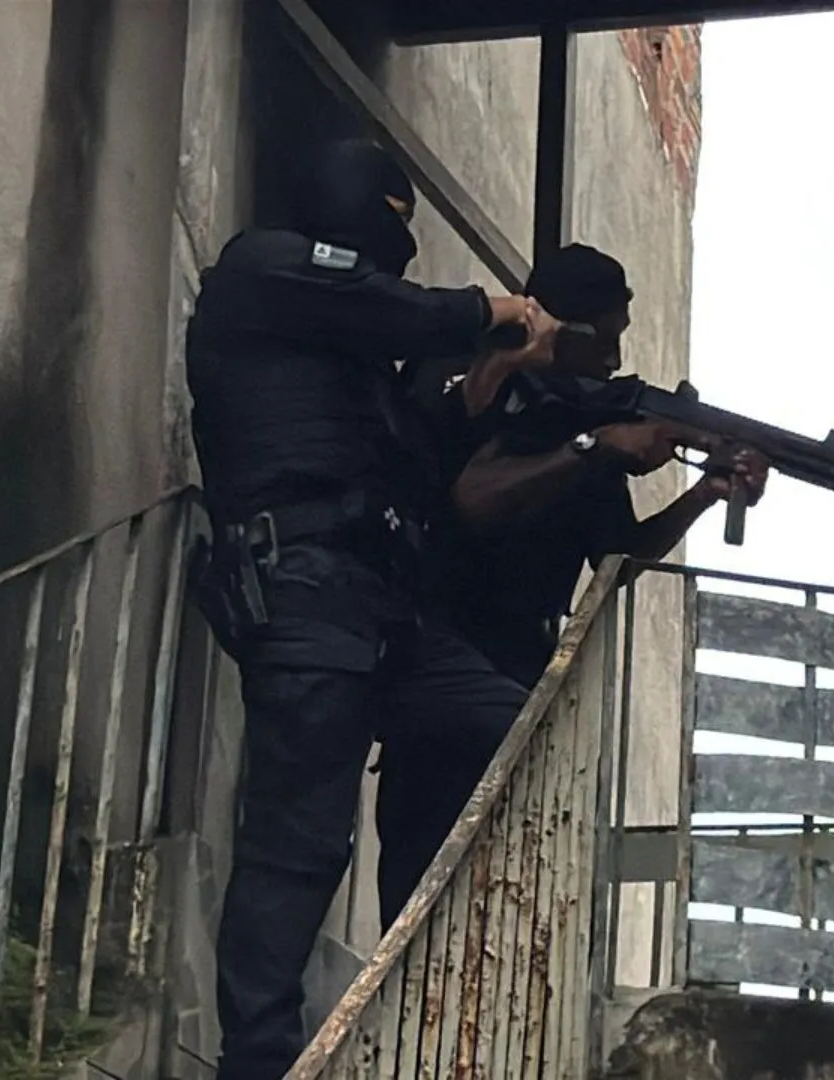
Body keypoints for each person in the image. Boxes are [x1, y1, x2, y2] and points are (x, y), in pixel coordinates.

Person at [184, 137, 560, 1080]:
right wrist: (487, 312)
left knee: (525, 735)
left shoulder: (351, 362)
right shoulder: (261, 270)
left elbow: (410, 457)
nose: (400, 246)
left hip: (377, 609)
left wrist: (488, 389)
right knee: (300, 838)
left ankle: (428, 1001)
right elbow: (388, 305)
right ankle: (258, 1058)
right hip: (304, 596)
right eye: (395, 221)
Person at [370, 243, 769, 926]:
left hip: (519, 668)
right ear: (566, 331)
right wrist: (595, 448)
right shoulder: (479, 380)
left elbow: (622, 556)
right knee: (417, 895)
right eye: (605, 340)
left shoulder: (584, 423)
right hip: (435, 659)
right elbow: (470, 498)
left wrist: (705, 491)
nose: (616, 361)